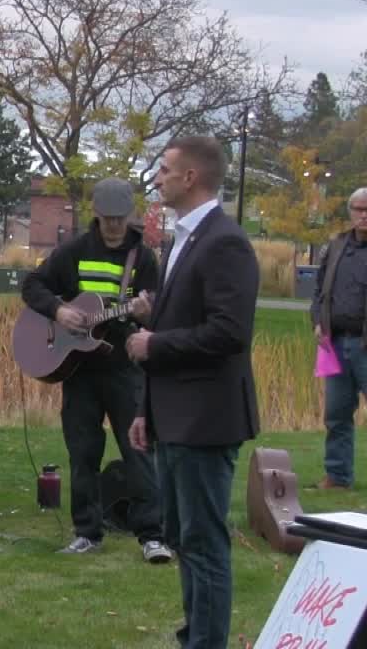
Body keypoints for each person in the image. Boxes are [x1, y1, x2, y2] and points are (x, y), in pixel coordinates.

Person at [126, 136, 260, 649]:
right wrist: (147, 411)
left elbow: (229, 332)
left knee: (203, 542)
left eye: (163, 170)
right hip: (174, 415)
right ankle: (195, 636)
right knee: (183, 537)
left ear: (191, 178)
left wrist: (155, 340)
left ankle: (207, 643)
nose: (156, 178)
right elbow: (187, 317)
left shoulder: (225, 242)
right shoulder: (180, 238)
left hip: (206, 419)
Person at [20, 178, 170, 563]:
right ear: (97, 217)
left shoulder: (144, 259)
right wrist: (59, 310)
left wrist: (146, 312)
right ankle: (87, 532)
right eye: (109, 220)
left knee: (137, 449)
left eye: (121, 219)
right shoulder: (73, 251)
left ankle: (152, 535)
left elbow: (157, 312)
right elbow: (33, 285)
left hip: (124, 368)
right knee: (83, 451)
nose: (116, 226)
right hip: (80, 371)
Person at [309, 187, 367, 490]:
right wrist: (319, 322)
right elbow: (319, 292)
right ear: (350, 212)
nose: (364, 215)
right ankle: (337, 476)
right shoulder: (337, 246)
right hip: (336, 344)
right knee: (337, 414)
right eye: (358, 209)